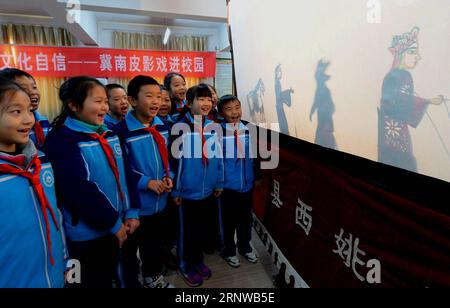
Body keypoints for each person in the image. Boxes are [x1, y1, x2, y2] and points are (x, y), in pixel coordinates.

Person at [45, 76, 138, 288]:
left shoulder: (110, 134)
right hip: (89, 235)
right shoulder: (62, 141)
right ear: (74, 105)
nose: (104, 107)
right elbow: (78, 191)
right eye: (98, 101)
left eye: (105, 101)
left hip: (121, 223)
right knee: (93, 281)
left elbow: (127, 174)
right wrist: (114, 224)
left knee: (121, 272)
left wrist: (132, 211)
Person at [0, 77, 65, 287]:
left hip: (54, 277)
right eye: (16, 112)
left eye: (29, 110)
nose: (29, 119)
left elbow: (55, 215)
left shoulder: (41, 162)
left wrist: (65, 261)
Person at [114, 75, 174, 288]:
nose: (156, 101)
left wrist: (170, 177)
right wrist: (145, 182)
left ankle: (153, 276)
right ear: (132, 100)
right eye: (149, 96)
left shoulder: (163, 126)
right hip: (135, 206)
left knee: (154, 245)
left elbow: (169, 157)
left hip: (161, 201)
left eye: (159, 96)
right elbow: (120, 169)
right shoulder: (119, 133)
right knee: (129, 251)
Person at [171, 83, 224, 287]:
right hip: (187, 193)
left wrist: (219, 182)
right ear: (189, 102)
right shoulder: (179, 127)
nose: (206, 103)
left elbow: (218, 157)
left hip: (209, 191)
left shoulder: (213, 126)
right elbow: (174, 161)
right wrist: (176, 189)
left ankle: (198, 261)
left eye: (208, 99)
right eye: (200, 99)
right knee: (187, 232)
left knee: (202, 230)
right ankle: (185, 264)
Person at [378, 27, 444, 172]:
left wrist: (426, 100)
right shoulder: (399, 76)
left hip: (392, 136)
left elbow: (401, 100)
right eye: (412, 52)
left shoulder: (397, 75)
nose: (417, 57)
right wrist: (428, 101)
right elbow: (398, 102)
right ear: (401, 54)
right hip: (394, 140)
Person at [217, 94, 259, 268]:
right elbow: (216, 161)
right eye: (228, 109)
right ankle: (229, 250)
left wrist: (257, 177)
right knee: (228, 221)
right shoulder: (217, 131)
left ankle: (245, 246)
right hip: (228, 187)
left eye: (237, 107)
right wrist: (218, 183)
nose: (234, 112)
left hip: (247, 185)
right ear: (220, 113)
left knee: (246, 219)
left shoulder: (249, 129)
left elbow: (255, 156)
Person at [0, 68, 50, 150]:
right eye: (23, 89)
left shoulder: (43, 120)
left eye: (34, 87)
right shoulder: (12, 131)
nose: (33, 92)